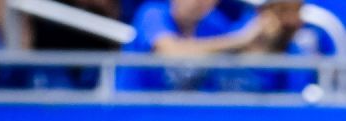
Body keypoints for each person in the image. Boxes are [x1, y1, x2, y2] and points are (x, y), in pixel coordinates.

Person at [119, 0, 277, 92]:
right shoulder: (153, 13)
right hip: (132, 109)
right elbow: (172, 53)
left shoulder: (214, 24)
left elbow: (241, 62)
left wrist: (266, 36)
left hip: (189, 116)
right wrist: (240, 39)